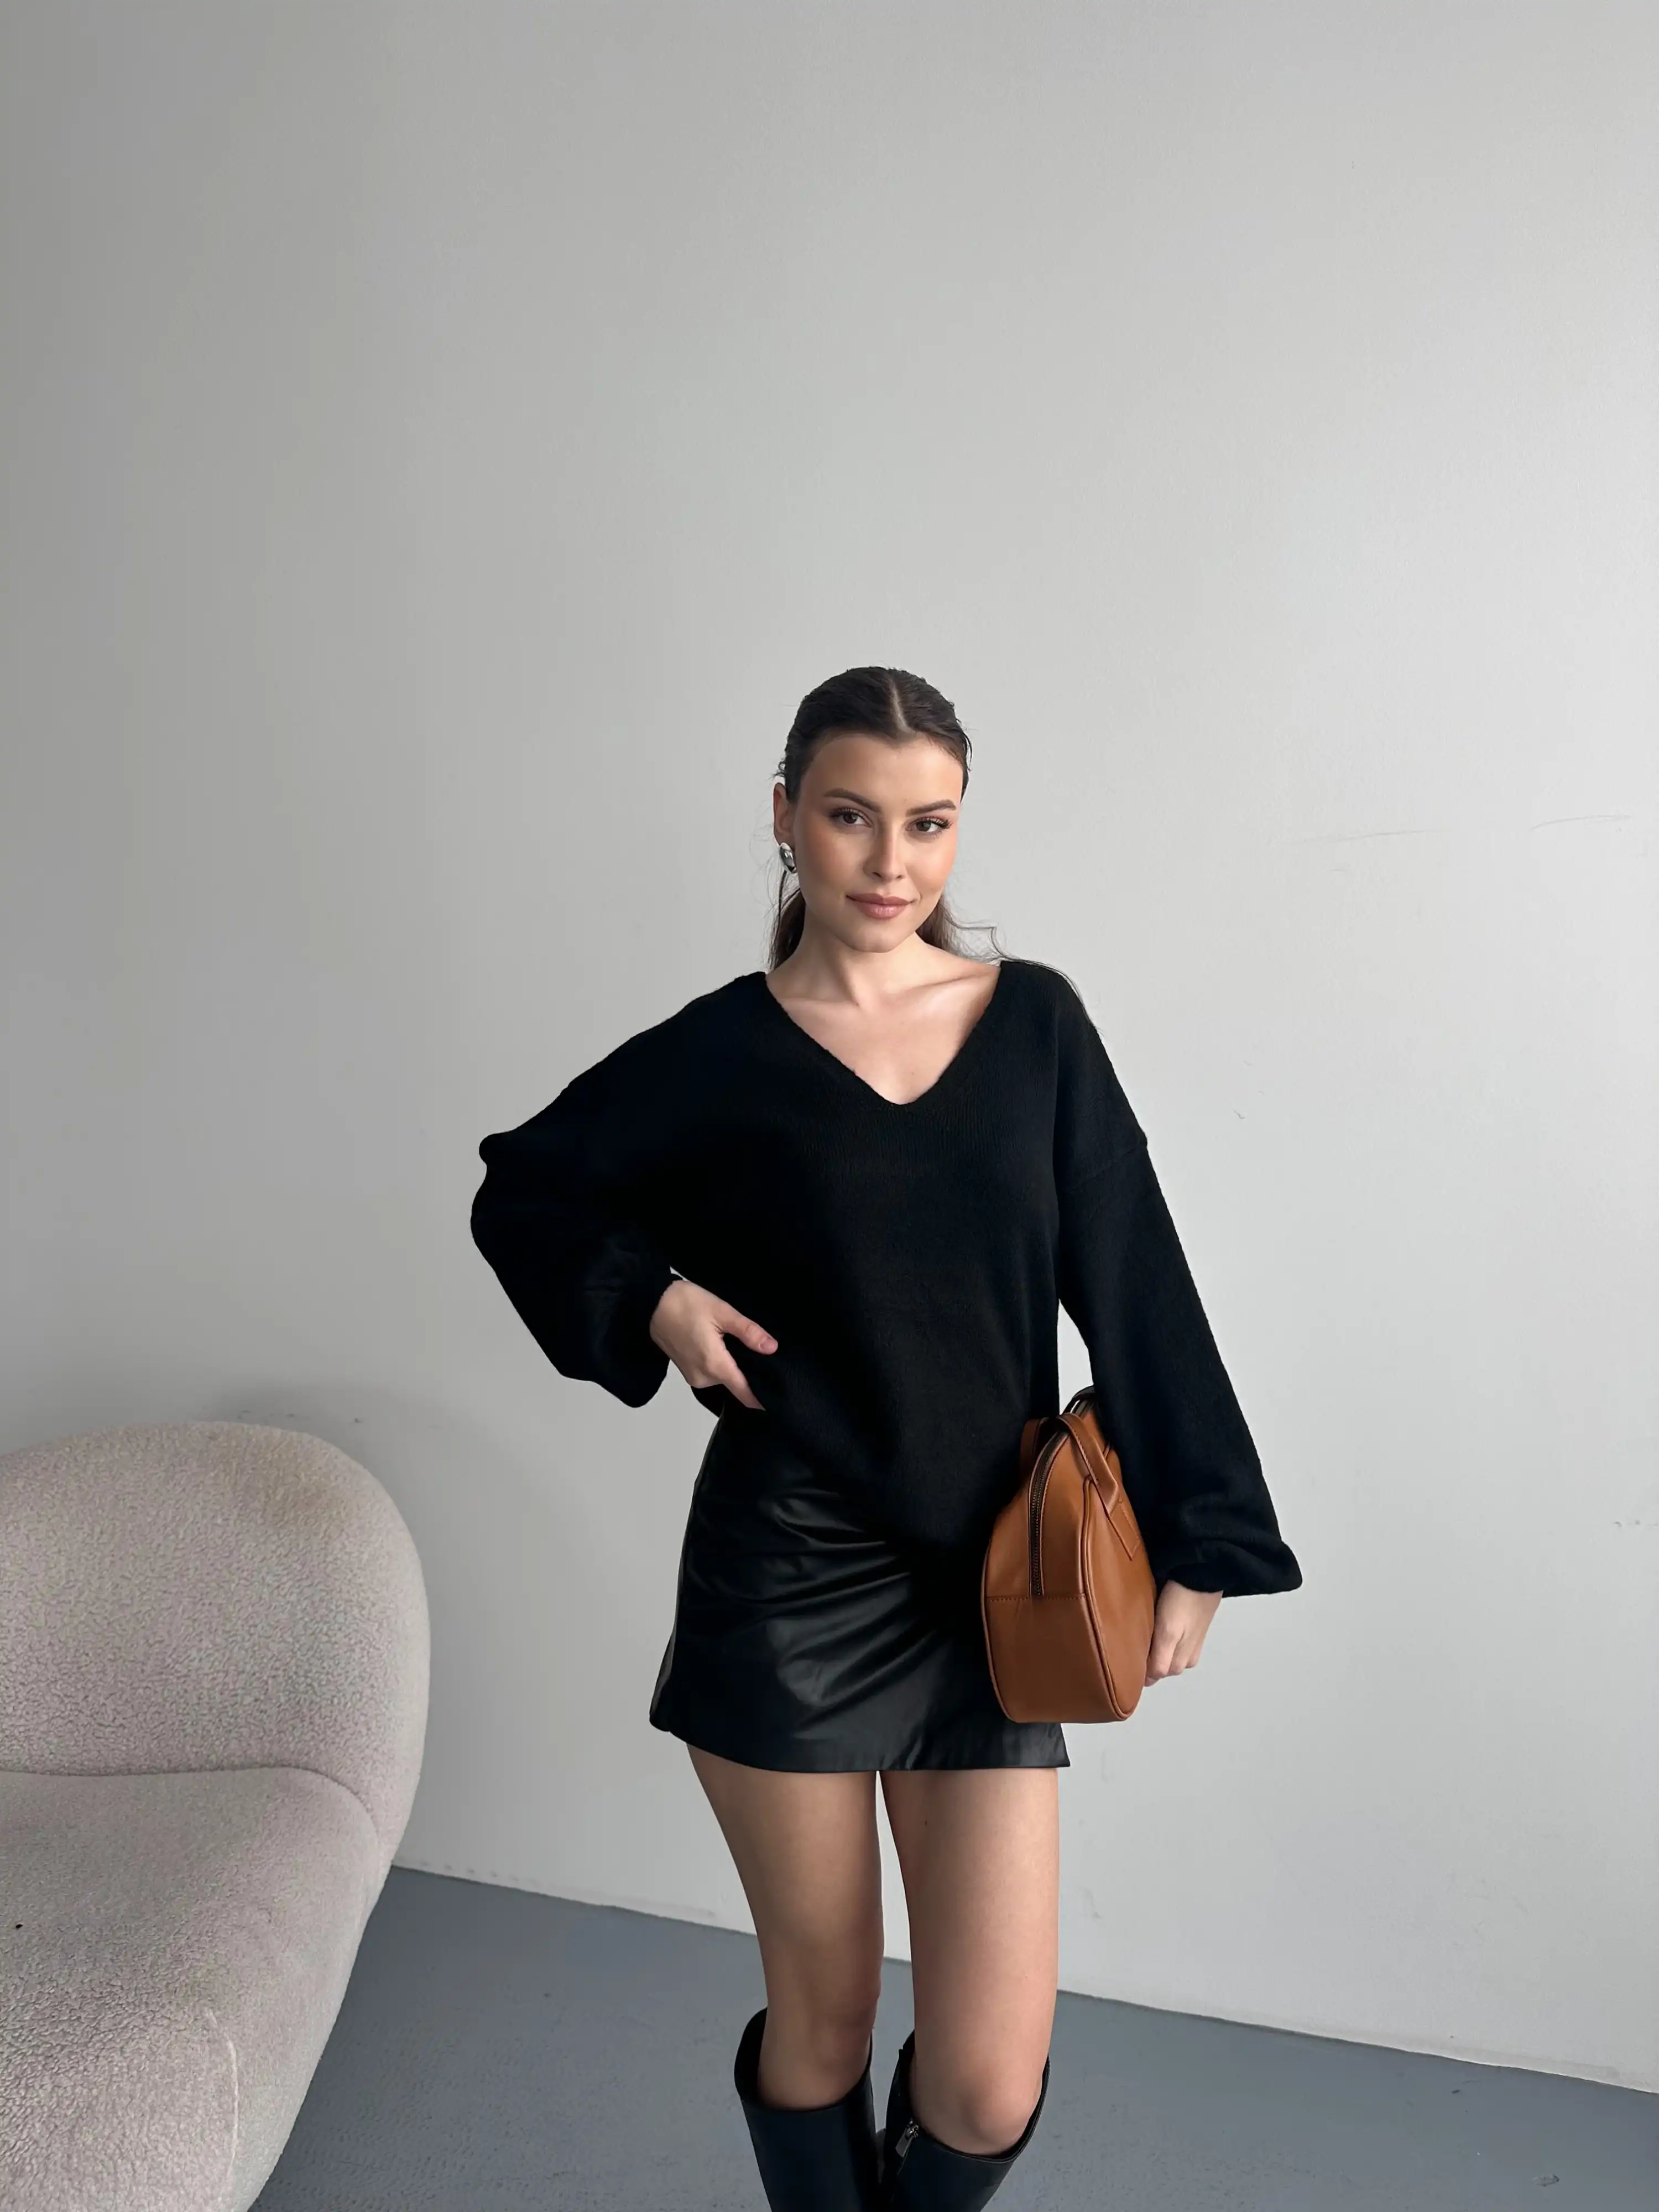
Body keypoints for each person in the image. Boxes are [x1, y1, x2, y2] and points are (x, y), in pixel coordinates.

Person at [470, 666, 1303, 2211]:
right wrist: (652, 1301)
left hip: (1000, 1584)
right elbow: (526, 1187)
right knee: (831, 2012)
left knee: (987, 2081)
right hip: (786, 1577)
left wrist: (1204, 1538)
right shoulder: (722, 1053)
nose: (891, 861)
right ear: (787, 818)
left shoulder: (1036, 1026)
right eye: (852, 817)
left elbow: (1138, 1280)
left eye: (930, 823)